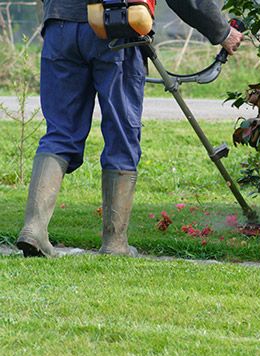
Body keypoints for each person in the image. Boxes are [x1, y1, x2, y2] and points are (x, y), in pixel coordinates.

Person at [16, 0, 244, 258]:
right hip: (117, 26)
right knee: (121, 134)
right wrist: (222, 31)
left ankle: (34, 229)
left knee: (59, 132)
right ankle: (115, 243)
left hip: (60, 25)